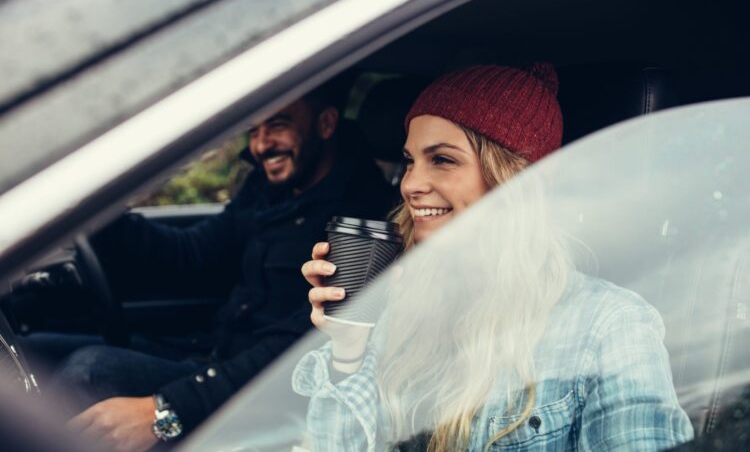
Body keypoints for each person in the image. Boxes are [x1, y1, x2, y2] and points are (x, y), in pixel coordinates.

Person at [292, 64, 694, 451]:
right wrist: (348, 351)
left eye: (443, 159)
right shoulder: (397, 304)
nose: (411, 184)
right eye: (410, 160)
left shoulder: (608, 326)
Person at [24, 82, 394, 451]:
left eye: (278, 125)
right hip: (212, 352)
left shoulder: (362, 221)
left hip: (264, 397)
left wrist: (168, 409)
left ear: (326, 123)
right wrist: (98, 217)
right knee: (32, 351)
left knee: (89, 371)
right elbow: (193, 254)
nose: (261, 145)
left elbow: (304, 352)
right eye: (254, 131)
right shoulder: (271, 189)